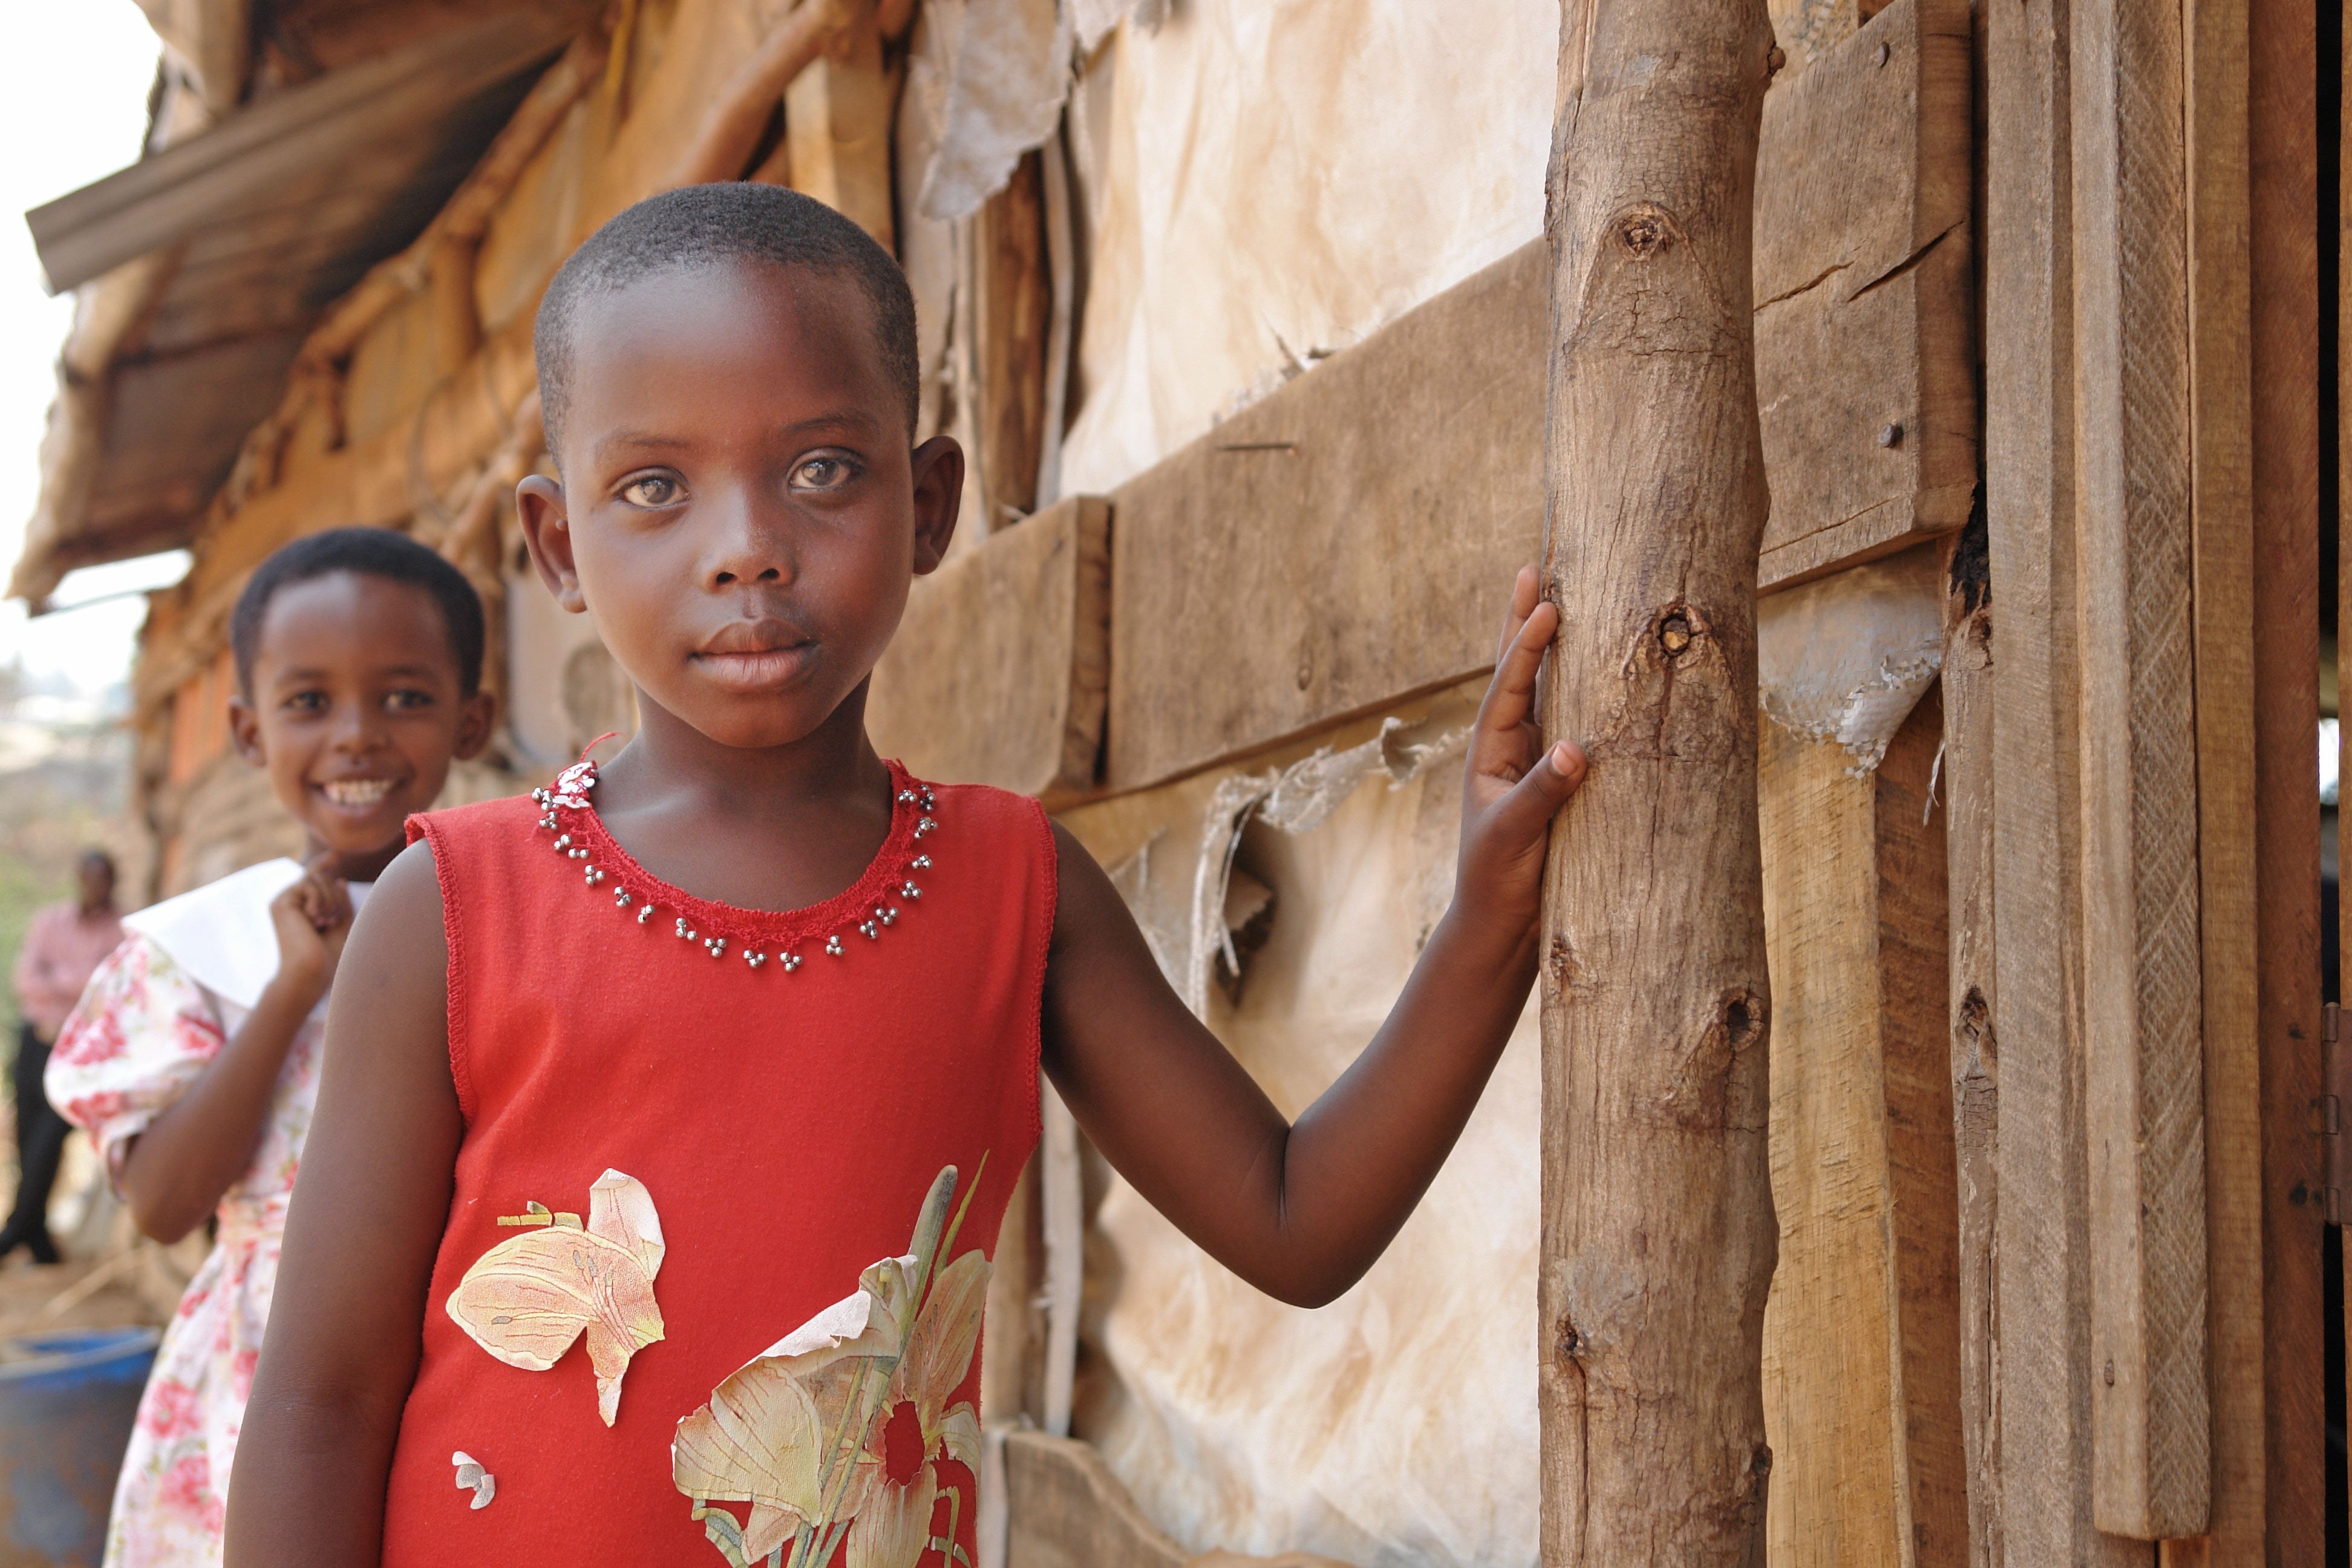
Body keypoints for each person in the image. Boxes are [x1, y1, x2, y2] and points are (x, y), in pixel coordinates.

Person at [226, 185, 1587, 1568]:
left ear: (927, 503)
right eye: (654, 487)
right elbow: (321, 1401)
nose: (745, 543)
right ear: (560, 546)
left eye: (820, 469)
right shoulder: (456, 909)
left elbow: (1297, 1225)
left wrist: (1484, 922)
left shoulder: (1010, 889)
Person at [47, 529, 494, 1568]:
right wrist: (295, 985)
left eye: (406, 697)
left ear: (470, 717)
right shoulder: (203, 946)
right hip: (266, 1377)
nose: (358, 737)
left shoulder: (506, 919)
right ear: (247, 731)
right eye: (308, 703)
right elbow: (162, 1205)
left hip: (466, 1342)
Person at [4, 848, 125, 1263]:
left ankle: (14, 1231)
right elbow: (26, 981)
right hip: (36, 1041)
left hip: (82, 1053)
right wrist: (83, 983)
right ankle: (36, 1239)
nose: (97, 887)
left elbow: (114, 993)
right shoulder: (50, 922)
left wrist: (59, 979)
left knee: (49, 1140)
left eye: (104, 879)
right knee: (27, 1139)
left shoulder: (122, 930)